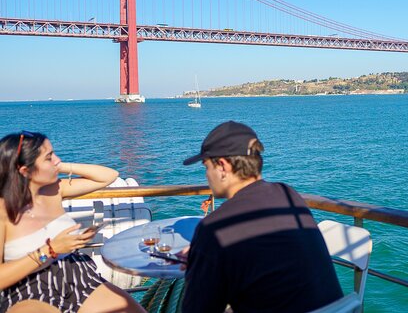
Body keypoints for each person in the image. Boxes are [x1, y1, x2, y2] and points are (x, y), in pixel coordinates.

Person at [180, 121, 343, 312]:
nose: (206, 175)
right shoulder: (289, 195)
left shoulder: (213, 229)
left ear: (222, 166)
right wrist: (204, 255)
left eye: (206, 166)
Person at [0, 131, 145, 313]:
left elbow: (109, 176)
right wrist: (51, 250)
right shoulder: (3, 211)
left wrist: (61, 166)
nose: (57, 159)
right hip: (28, 287)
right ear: (25, 171)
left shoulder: (55, 189)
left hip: (77, 273)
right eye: (49, 157)